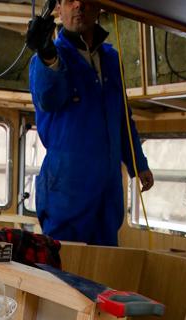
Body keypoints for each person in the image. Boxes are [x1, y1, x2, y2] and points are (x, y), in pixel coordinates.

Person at [26, 0, 154, 246]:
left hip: (107, 194)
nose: (79, 5)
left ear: (99, 7)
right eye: (70, 0)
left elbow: (122, 118)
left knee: (105, 266)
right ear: (58, 9)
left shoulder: (111, 59)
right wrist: (48, 55)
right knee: (63, 263)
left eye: (86, 0)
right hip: (67, 192)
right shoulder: (47, 59)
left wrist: (138, 163)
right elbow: (48, 99)